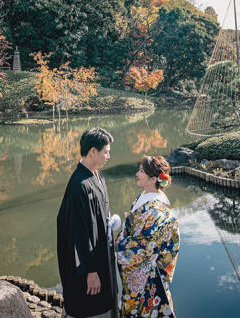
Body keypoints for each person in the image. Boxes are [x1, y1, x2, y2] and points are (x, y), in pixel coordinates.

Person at [57, 128, 116, 318]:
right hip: (88, 263)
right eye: (105, 151)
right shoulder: (79, 185)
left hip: (100, 253)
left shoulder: (98, 176)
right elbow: (79, 232)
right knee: (88, 305)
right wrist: (90, 270)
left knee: (105, 298)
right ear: (93, 151)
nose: (108, 155)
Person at [115, 156, 180, 318]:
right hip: (139, 268)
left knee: (145, 309)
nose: (137, 173)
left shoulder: (155, 208)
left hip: (146, 272)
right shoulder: (145, 196)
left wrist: (117, 247)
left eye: (141, 171)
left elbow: (146, 245)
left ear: (152, 179)